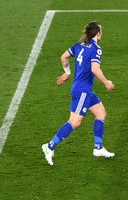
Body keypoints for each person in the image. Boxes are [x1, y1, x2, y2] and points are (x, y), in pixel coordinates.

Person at [41, 21, 115, 166]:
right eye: (101, 30)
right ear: (98, 33)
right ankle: (49, 146)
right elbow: (95, 69)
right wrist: (106, 82)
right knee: (75, 122)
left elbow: (63, 57)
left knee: (101, 113)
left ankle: (98, 147)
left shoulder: (78, 46)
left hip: (83, 90)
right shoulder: (96, 49)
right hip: (82, 91)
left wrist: (67, 72)